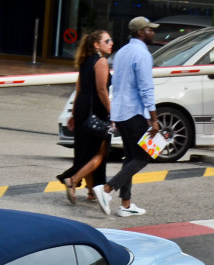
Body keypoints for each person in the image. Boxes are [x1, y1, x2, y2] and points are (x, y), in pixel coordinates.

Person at [95, 16, 162, 218]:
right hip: (134, 112)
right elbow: (145, 88)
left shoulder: (122, 52)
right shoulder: (142, 54)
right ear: (140, 32)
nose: (153, 32)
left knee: (131, 157)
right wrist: (154, 118)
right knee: (144, 156)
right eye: (150, 29)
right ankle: (107, 189)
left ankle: (126, 204)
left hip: (121, 112)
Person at [56, 29, 112, 205]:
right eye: (107, 41)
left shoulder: (85, 61)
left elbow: (79, 88)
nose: (111, 43)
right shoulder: (101, 61)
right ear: (96, 44)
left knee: (85, 152)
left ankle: (90, 192)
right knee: (100, 152)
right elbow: (101, 89)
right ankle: (72, 179)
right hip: (95, 109)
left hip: (82, 109)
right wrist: (111, 110)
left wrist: (73, 114)